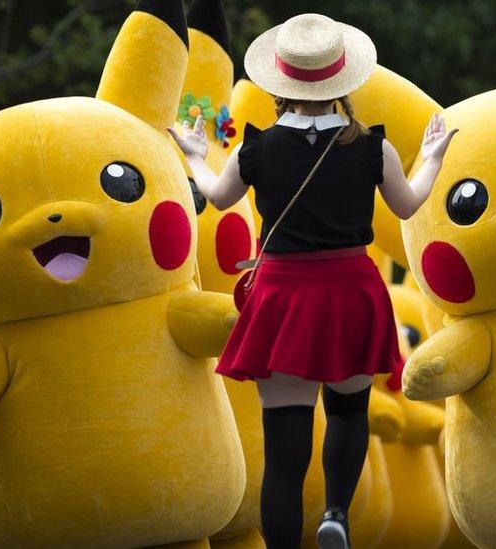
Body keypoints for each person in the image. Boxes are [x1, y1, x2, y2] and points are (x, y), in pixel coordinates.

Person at [171, 13, 456, 549]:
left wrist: (194, 157)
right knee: (349, 412)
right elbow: (409, 203)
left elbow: (218, 197)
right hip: (351, 289)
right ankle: (336, 515)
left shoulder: (254, 148)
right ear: (342, 80)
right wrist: (433, 158)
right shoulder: (373, 147)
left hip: (283, 294)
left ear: (281, 82)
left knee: (285, 445)